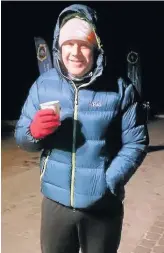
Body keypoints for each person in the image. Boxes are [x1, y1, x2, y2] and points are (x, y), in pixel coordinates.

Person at [15, 4, 149, 253]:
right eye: (68, 43)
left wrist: (108, 180)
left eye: (84, 44)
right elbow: (22, 138)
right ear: (59, 46)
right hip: (56, 205)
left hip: (103, 206)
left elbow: (136, 142)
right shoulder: (43, 86)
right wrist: (33, 132)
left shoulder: (121, 89)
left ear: (96, 47)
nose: (75, 52)